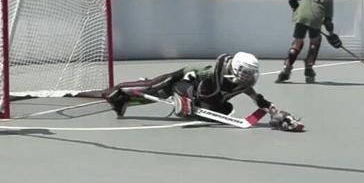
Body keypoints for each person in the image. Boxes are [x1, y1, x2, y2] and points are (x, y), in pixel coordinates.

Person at [103, 52, 303, 131]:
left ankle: (124, 102)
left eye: (252, 74)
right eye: (246, 73)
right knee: (154, 88)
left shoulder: (241, 82)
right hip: (182, 83)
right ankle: (114, 91)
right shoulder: (210, 73)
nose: (249, 78)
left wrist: (274, 111)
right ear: (236, 68)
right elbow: (184, 72)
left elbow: (255, 97)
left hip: (201, 95)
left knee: (224, 109)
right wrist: (160, 83)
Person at [276, 0, 342, 84]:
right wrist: (331, 34)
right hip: (315, 21)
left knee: (297, 44)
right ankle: (309, 68)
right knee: (314, 42)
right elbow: (327, 22)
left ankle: (286, 70)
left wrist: (297, 10)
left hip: (300, 18)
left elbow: (292, 0)